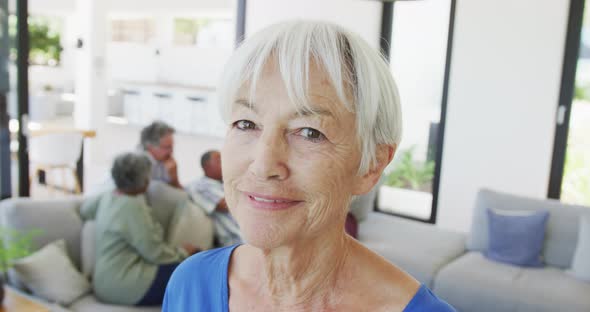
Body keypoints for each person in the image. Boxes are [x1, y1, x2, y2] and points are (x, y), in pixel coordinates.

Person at [163, 20, 456, 311]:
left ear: (371, 165)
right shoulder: (191, 282)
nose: (263, 166)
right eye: (246, 123)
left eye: (309, 132)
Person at [80, 152, 198, 306]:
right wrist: (184, 252)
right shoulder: (133, 207)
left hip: (104, 281)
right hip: (124, 285)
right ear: (142, 181)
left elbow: (85, 210)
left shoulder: (108, 196)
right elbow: (155, 253)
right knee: (194, 270)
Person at [185, 150, 242, 247]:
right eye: (219, 160)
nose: (225, 163)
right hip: (236, 239)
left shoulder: (225, 183)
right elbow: (226, 205)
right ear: (206, 166)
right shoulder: (200, 186)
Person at [140, 120, 182, 188]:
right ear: (150, 146)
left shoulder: (164, 161)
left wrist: (174, 177)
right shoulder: (137, 164)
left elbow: (176, 191)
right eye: (167, 147)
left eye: (171, 147)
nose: (171, 151)